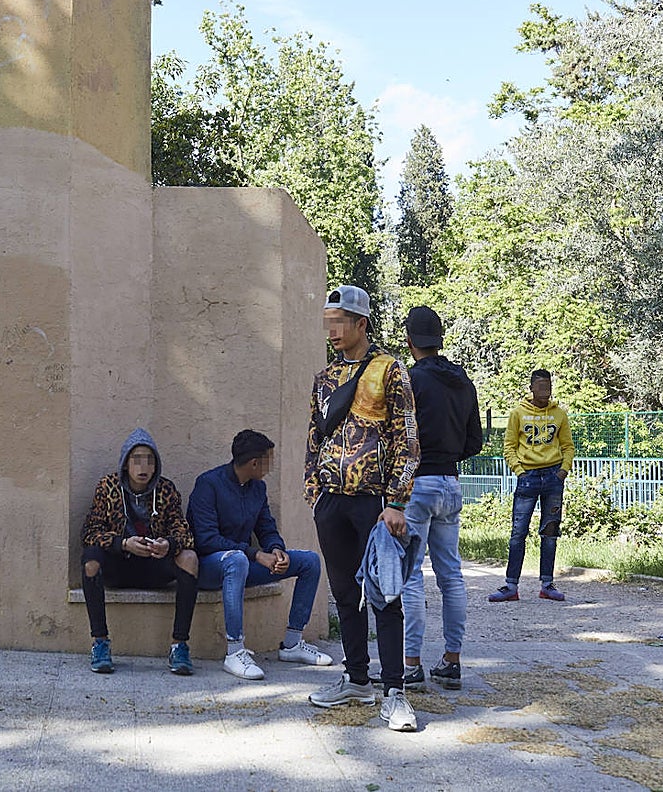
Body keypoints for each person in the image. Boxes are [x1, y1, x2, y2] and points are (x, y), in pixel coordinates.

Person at [304, 285, 420, 733]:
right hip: (331, 502)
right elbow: (314, 436)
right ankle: (356, 679)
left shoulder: (390, 370)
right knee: (345, 595)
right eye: (328, 322)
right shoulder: (325, 377)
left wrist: (396, 501)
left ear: (361, 324)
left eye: (339, 322)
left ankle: (395, 692)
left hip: (376, 505)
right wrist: (312, 486)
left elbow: (408, 440)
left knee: (385, 595)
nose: (331, 330)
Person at [188, 429, 330, 681]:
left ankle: (292, 644)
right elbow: (206, 539)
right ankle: (234, 651)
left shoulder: (258, 489)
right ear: (254, 463)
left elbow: (266, 527)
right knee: (236, 559)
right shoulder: (208, 484)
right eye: (268, 460)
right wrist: (255, 554)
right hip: (209, 567)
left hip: (243, 565)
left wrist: (276, 549)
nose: (270, 467)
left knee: (310, 561)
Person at [392, 306, 482, 692]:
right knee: (451, 575)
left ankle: (411, 664)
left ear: (410, 341)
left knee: (411, 575)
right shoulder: (464, 382)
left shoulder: (411, 382)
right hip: (451, 483)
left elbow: (399, 439)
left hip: (418, 484)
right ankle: (452, 660)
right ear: (440, 339)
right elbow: (474, 441)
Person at [81, 428, 199, 675]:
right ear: (125, 464)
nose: (143, 466)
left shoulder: (166, 490)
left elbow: (184, 534)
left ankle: (180, 645)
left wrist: (167, 544)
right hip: (119, 566)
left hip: (154, 566)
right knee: (90, 559)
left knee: (189, 558)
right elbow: (90, 532)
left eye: (149, 459)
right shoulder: (107, 486)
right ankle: (100, 643)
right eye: (137, 459)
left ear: (156, 466)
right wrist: (123, 544)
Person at [489, 369, 575, 603]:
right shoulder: (518, 413)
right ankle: (511, 586)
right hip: (527, 477)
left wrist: (562, 472)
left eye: (548, 385)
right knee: (518, 532)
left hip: (553, 477)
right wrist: (519, 470)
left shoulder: (559, 414)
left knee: (550, 531)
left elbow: (568, 445)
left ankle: (547, 584)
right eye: (540, 386)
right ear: (531, 388)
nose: (544, 390)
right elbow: (509, 446)